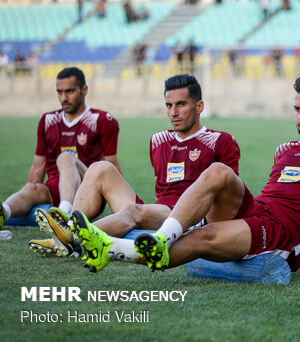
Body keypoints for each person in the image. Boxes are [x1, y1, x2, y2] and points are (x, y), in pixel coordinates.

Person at [70, 73, 300, 274]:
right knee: (218, 172)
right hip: (258, 212)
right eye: (297, 109)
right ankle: (158, 238)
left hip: (284, 237)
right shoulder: (284, 149)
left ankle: (114, 249)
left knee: (199, 240)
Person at [31, 74, 241, 259]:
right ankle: (70, 228)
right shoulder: (158, 140)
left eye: (181, 104)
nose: (173, 112)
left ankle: (72, 239)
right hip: (160, 210)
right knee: (99, 168)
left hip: (190, 217)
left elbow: (226, 196)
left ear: (199, 107)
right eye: (169, 105)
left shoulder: (220, 140)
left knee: (132, 211)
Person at [0, 67, 121, 233]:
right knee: (32, 188)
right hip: (54, 191)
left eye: (70, 91)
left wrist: (122, 210)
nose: (64, 97)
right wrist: (31, 192)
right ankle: (4, 212)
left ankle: (65, 213)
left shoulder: (101, 120)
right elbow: (38, 167)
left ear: (84, 90)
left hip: (88, 191)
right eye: (60, 92)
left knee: (65, 157)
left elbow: (111, 164)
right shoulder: (47, 120)